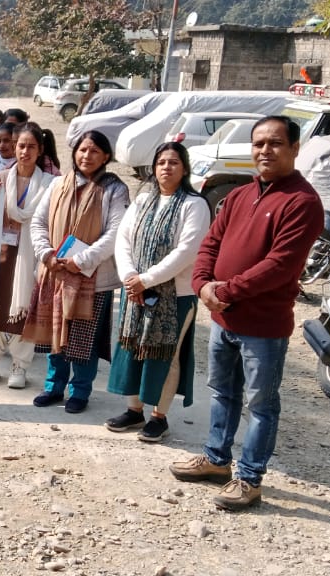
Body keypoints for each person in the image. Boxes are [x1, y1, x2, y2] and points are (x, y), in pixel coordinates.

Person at [169, 116, 323, 511]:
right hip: (224, 319)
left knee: (261, 405)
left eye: (275, 143)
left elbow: (280, 265)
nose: (265, 150)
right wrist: (202, 284)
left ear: (295, 148)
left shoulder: (302, 202)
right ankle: (217, 459)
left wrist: (225, 291)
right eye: (258, 143)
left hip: (263, 326)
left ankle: (250, 478)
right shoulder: (240, 195)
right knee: (222, 392)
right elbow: (210, 243)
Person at [104, 142, 210, 442]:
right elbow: (123, 240)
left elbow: (186, 251)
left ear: (185, 169)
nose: (166, 167)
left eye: (173, 162)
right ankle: (134, 410)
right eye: (161, 162)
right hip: (135, 290)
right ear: (153, 168)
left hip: (175, 295)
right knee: (133, 349)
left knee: (166, 355)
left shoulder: (194, 205)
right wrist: (130, 277)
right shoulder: (143, 200)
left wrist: (146, 280)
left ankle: (159, 417)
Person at [23, 130, 130, 414]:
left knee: (84, 340)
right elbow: (38, 222)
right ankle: (53, 386)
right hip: (55, 272)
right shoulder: (58, 183)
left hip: (92, 278)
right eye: (82, 150)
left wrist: (80, 260)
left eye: (94, 151)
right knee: (54, 333)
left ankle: (80, 391)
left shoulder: (115, 189)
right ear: (74, 152)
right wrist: (47, 254)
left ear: (106, 156)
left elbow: (115, 233)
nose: (87, 156)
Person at [0, 125, 56, 389]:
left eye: (31, 146)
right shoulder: (0, 179)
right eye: (21, 146)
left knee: (26, 310)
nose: (25, 151)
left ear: (40, 150)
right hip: (1, 254)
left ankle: (19, 366)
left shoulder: (50, 184)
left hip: (31, 256)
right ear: (15, 147)